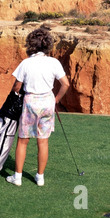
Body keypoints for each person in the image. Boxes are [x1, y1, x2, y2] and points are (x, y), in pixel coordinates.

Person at [6, 26, 70, 187]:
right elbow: (65, 84)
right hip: (47, 101)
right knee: (43, 141)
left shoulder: (26, 63)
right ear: (48, 44)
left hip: (30, 102)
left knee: (23, 141)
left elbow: (16, 86)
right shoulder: (53, 62)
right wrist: (56, 99)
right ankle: (40, 177)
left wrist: (15, 95)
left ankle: (17, 177)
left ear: (31, 44)